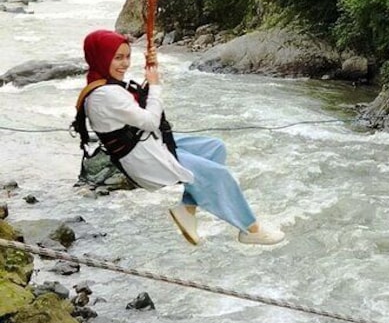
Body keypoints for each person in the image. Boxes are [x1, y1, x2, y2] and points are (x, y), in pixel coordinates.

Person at [77, 29, 284, 246]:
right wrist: (155, 84)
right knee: (218, 175)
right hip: (145, 159)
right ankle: (250, 229)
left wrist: (151, 72)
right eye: (117, 58)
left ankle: (187, 208)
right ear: (100, 58)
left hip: (149, 144)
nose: (125, 64)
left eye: (127, 57)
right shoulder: (104, 94)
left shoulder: (108, 86)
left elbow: (135, 105)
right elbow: (150, 121)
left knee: (215, 148)